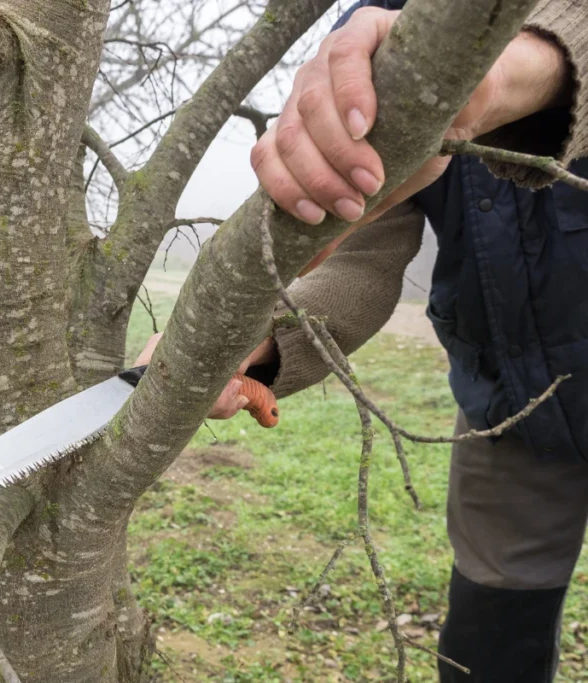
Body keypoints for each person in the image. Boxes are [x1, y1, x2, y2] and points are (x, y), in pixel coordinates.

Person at [137, 1, 588, 680]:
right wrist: (253, 334)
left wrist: (516, 69)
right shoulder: (381, 26)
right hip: (508, 404)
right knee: (493, 633)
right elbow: (364, 251)